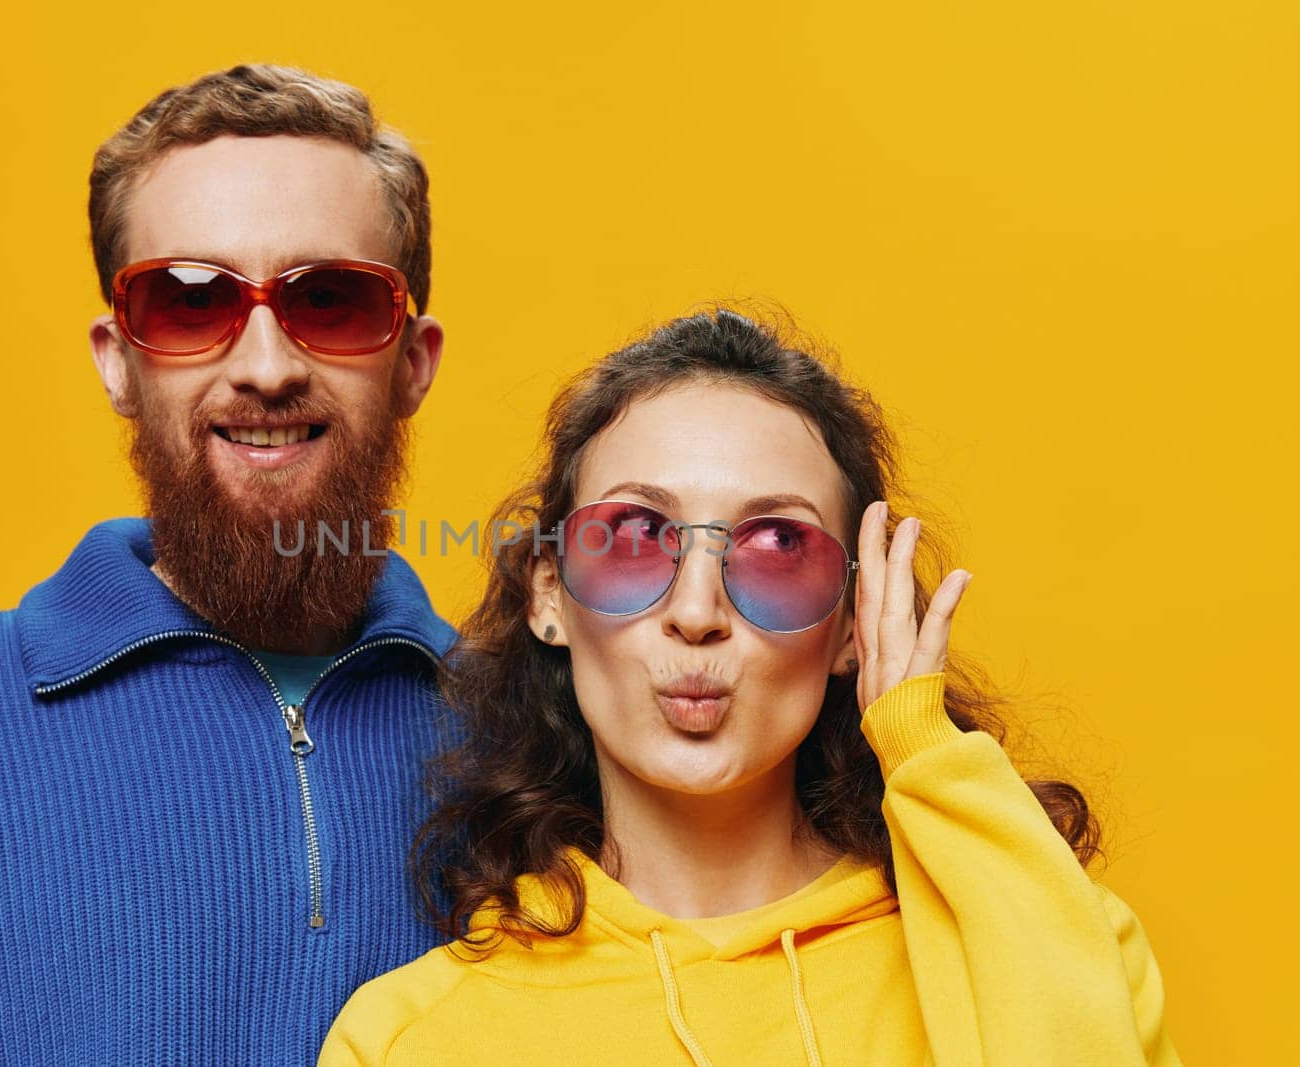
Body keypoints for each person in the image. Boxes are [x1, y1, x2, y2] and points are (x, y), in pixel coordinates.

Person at [0, 64, 451, 1066]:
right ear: (119, 357)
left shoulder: (518, 736)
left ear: (412, 358)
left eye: (328, 300)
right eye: (190, 300)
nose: (264, 364)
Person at [321, 308, 1178, 1065]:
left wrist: (926, 755)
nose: (698, 611)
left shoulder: (1050, 943)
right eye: (631, 537)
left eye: (777, 549)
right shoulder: (414, 1039)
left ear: (854, 619)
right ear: (548, 594)